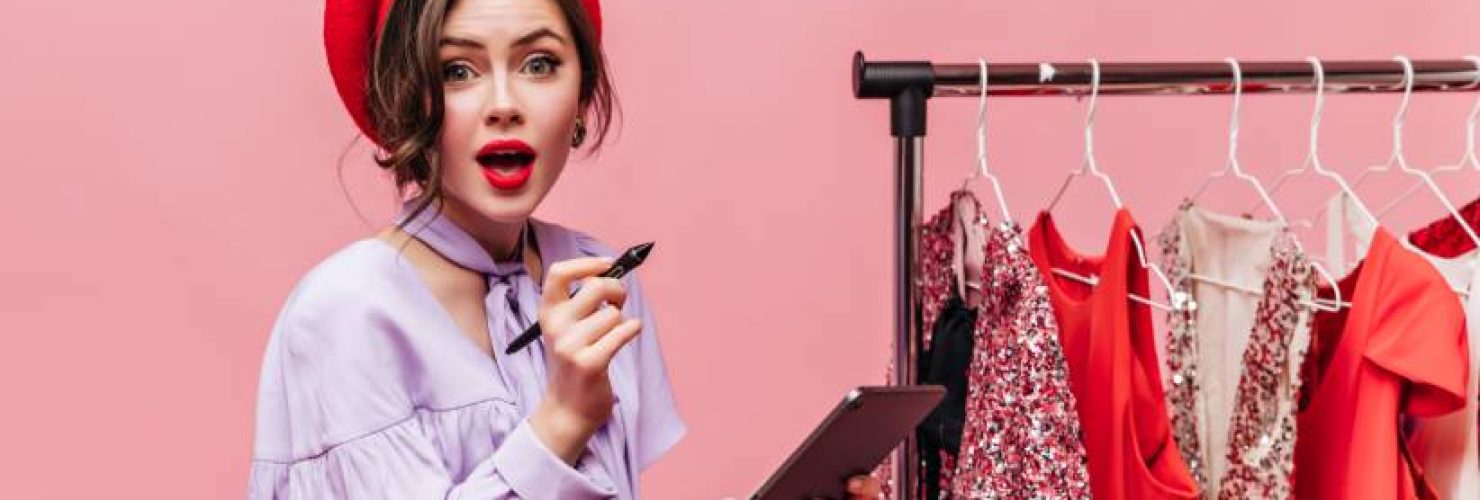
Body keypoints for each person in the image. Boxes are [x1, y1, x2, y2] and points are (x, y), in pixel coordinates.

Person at [248, 0, 881, 498]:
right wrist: (561, 422)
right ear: (405, 97)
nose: (504, 105)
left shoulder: (596, 281)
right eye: (457, 70)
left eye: (539, 64)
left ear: (580, 98)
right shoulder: (344, 313)